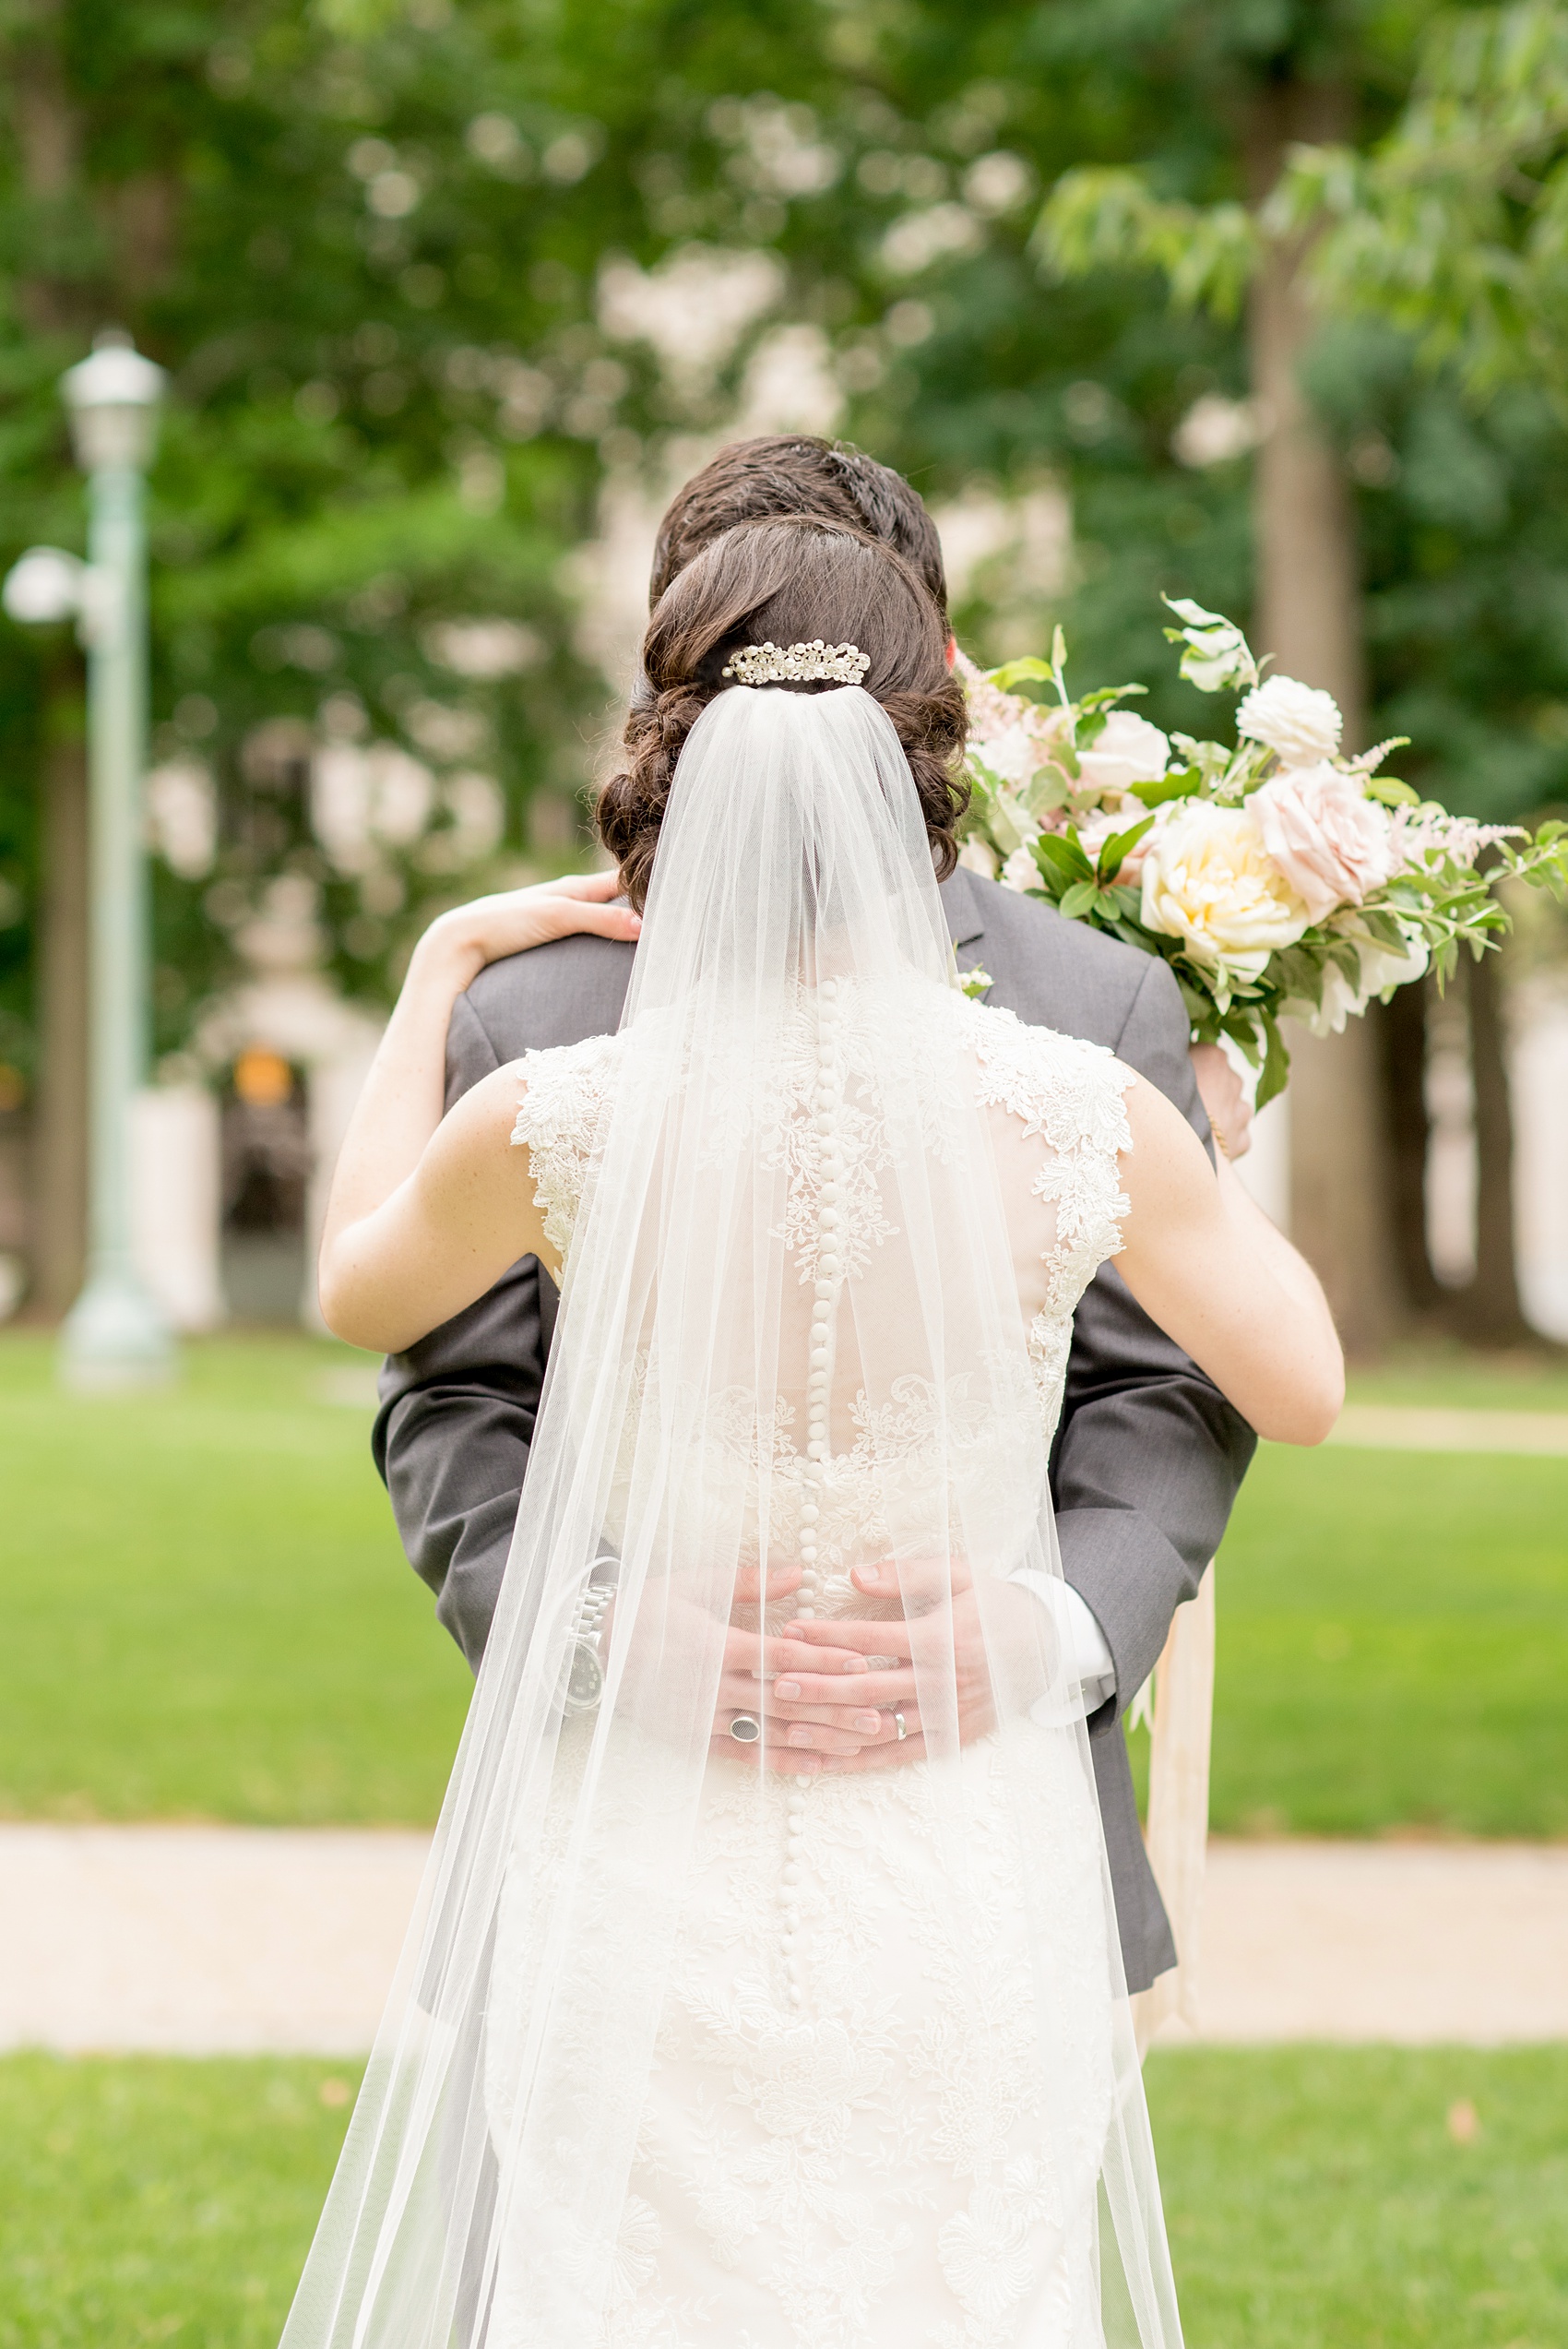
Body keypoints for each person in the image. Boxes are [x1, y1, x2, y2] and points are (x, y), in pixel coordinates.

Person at [288, 516, 1340, 2349]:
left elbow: (357, 1296)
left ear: (669, 778)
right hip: (951, 1840)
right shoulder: (1073, 1109)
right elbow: (1301, 1383)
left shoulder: (557, 1116)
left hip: (649, 1838)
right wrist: (1200, 1163)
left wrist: (437, 973)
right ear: (933, 770)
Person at [374, 434, 1256, 2003]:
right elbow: (454, 1393)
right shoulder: (538, 1009)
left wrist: (1048, 1629)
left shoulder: (1097, 1000)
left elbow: (1170, 1383)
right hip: (625, 1837)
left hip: (990, 1835)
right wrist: (594, 1636)